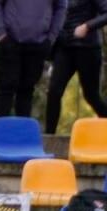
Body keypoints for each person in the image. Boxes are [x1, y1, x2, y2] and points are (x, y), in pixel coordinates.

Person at [0, 0, 68, 119]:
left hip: (38, 44)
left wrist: (50, 38)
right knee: (6, 88)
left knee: (27, 91)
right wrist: (1, 33)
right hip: (9, 40)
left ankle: (23, 134)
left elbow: (61, 7)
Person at [45, 0, 107, 132]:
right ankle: (48, 138)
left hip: (87, 48)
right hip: (64, 47)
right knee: (54, 91)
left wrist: (87, 26)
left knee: (91, 95)